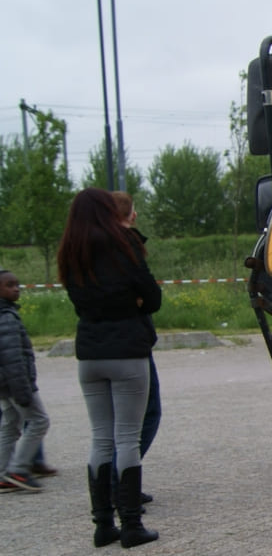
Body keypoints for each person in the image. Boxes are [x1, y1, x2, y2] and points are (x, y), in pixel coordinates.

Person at [58, 188, 162, 548]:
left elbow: (78, 301)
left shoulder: (71, 252)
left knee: (100, 438)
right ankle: (131, 524)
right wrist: (132, 301)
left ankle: (103, 524)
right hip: (128, 351)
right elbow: (152, 297)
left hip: (89, 353)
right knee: (127, 439)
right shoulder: (124, 246)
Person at [113, 190, 160, 504]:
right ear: (130, 215)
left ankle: (112, 490)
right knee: (144, 417)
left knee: (107, 428)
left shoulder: (84, 247)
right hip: (131, 344)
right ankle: (123, 490)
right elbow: (150, 298)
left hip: (94, 348)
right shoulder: (127, 246)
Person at [0, 270, 51, 493]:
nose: (16, 288)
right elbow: (12, 357)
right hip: (15, 383)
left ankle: (3, 473)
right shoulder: (7, 317)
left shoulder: (7, 313)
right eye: (9, 285)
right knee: (39, 421)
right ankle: (18, 469)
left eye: (17, 284)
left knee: (10, 425)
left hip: (4, 384)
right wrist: (23, 390)